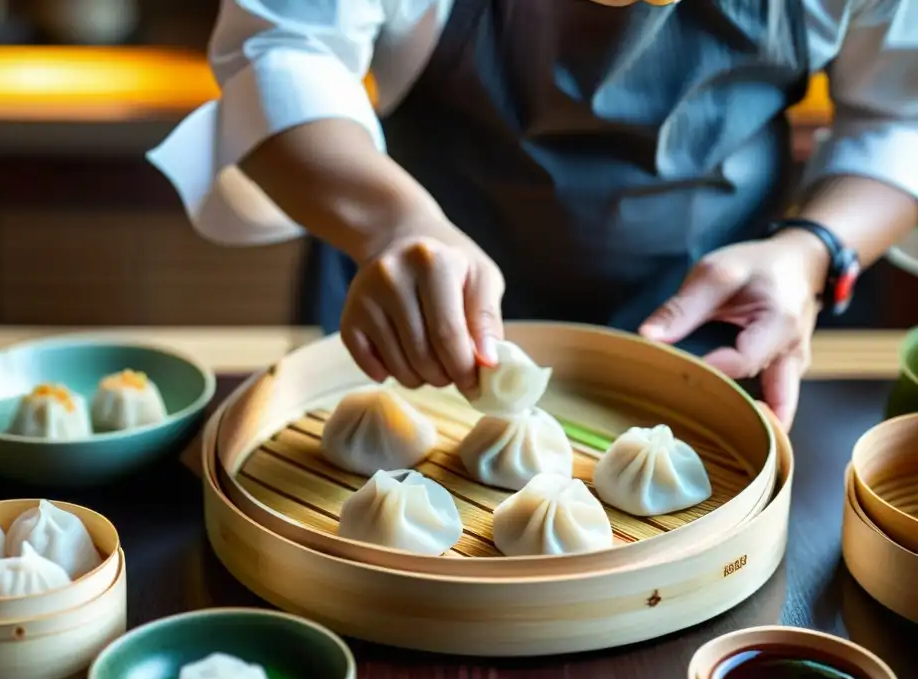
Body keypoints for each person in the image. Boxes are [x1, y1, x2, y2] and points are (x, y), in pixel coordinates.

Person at [149, 0, 918, 428]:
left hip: (725, 333)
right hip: (413, 323)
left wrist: (816, 250)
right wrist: (391, 224)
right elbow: (284, 48)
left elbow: (900, 115)